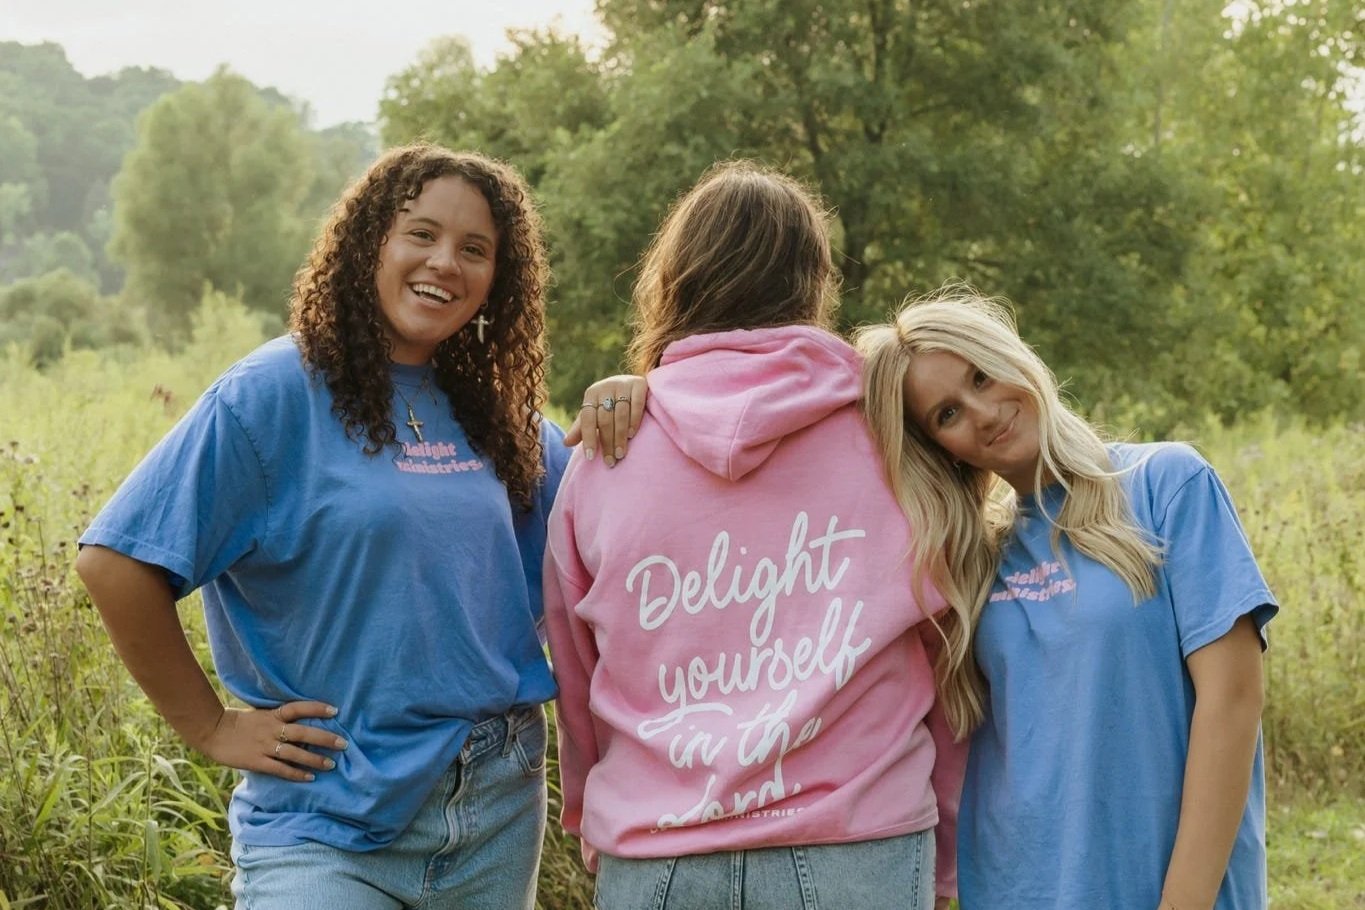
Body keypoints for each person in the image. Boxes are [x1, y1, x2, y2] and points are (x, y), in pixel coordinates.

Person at [75, 143, 569, 910]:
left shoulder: (506, 424)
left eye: (475, 249)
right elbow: (115, 563)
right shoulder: (275, 392)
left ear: (499, 278)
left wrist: (629, 397)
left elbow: (591, 553)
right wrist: (210, 725)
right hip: (323, 820)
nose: (445, 262)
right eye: (421, 234)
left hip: (495, 814)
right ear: (371, 241)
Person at [544, 161, 964, 910]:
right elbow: (948, 655)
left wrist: (589, 816)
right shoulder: (894, 442)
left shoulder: (604, 454)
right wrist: (949, 857)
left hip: (658, 849)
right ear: (813, 279)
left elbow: (576, 677)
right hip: (857, 845)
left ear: (676, 277)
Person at [853, 285, 1277, 910]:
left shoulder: (1167, 484)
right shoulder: (972, 563)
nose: (983, 411)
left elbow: (1234, 699)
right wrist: (655, 396)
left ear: (1013, 356)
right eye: (947, 413)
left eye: (982, 375)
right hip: (1014, 888)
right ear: (938, 448)